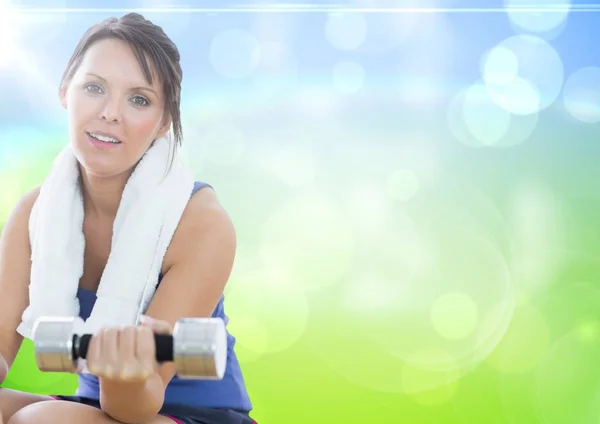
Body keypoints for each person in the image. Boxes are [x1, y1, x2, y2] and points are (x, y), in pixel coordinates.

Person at [0, 13, 255, 424]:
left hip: (184, 413)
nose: (110, 113)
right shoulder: (34, 214)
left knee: (39, 421)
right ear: (66, 91)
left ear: (163, 122)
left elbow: (133, 407)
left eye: (139, 99)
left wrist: (125, 369)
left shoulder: (201, 223)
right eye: (94, 88)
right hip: (94, 411)